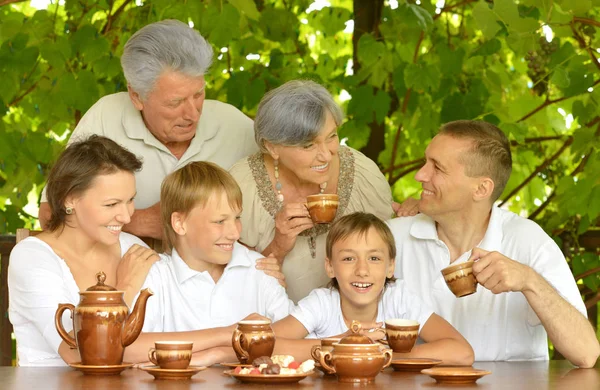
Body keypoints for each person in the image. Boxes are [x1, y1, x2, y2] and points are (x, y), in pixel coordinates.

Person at [387, 120, 600, 367]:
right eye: (426, 162)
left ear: (481, 188)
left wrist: (530, 282)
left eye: (438, 168)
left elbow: (586, 353)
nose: (420, 175)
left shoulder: (528, 241)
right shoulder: (394, 238)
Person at [38, 19, 257, 239]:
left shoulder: (235, 125)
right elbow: (51, 214)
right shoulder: (106, 117)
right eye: (175, 102)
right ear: (136, 96)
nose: (193, 113)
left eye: (198, 94)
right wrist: (135, 221)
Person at [229, 80, 395, 302]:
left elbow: (387, 257)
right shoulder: (241, 186)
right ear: (272, 147)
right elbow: (232, 284)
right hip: (273, 320)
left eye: (332, 137)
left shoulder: (361, 173)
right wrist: (278, 246)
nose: (326, 155)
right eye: (309, 146)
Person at [8, 136, 159, 366]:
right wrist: (126, 288)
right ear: (70, 199)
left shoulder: (134, 248)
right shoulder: (31, 258)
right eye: (111, 204)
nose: (127, 216)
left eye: (130, 200)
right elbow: (81, 353)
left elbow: (167, 336)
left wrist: (215, 353)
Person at [139, 161, 293, 364]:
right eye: (220, 221)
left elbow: (293, 344)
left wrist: (215, 355)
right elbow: (129, 348)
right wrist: (227, 335)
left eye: (237, 217)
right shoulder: (156, 276)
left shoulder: (259, 269)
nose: (235, 233)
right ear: (180, 223)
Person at [271, 212, 474, 364]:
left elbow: (462, 352)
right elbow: (263, 346)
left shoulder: (398, 299)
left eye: (374, 258)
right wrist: (341, 345)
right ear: (330, 267)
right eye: (349, 258)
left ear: (390, 266)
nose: (362, 270)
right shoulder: (322, 303)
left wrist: (382, 355)